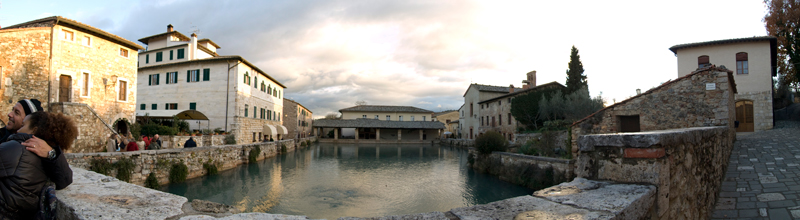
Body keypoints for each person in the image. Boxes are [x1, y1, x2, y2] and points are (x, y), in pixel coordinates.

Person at [0, 111, 78, 218]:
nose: (18, 130)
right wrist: (51, 153)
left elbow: (66, 178)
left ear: (34, 129)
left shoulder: (16, 148)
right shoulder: (44, 157)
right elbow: (66, 179)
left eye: (23, 125)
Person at [0, 99, 72, 190]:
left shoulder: (41, 146)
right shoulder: (3, 135)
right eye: (12, 110)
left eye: (17, 113)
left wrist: (51, 153)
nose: (9, 114)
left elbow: (65, 179)